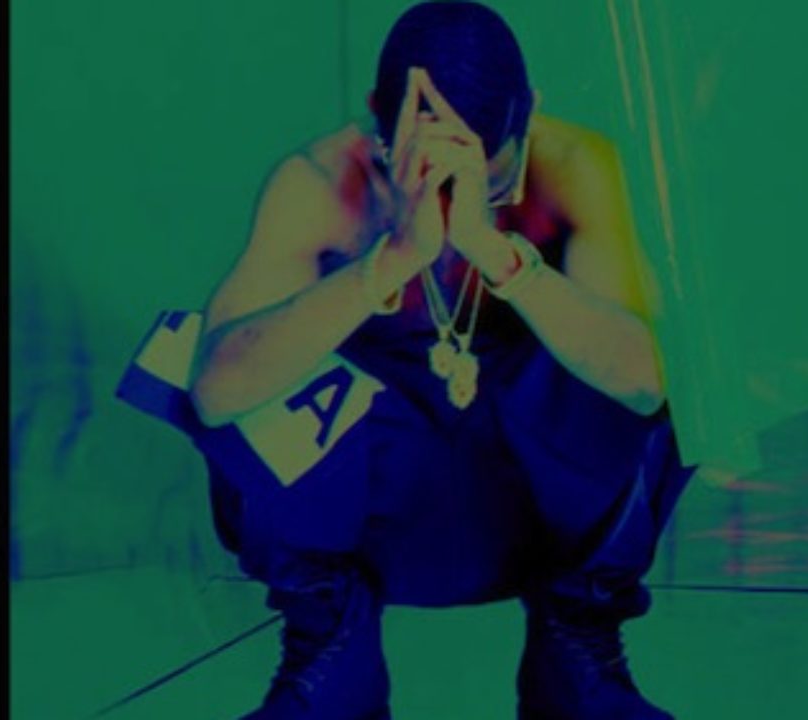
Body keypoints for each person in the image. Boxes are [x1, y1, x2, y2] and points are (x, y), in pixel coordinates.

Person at [117, 2, 695, 718]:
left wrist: (498, 256)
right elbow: (215, 392)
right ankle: (333, 645)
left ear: (531, 114)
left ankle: (578, 643)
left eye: (486, 177)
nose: (453, 199)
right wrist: (391, 261)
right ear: (375, 120)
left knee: (675, 354)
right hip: (375, 491)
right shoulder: (321, 181)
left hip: (530, 487)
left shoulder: (575, 168)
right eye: (423, 170)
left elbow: (646, 385)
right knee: (217, 353)